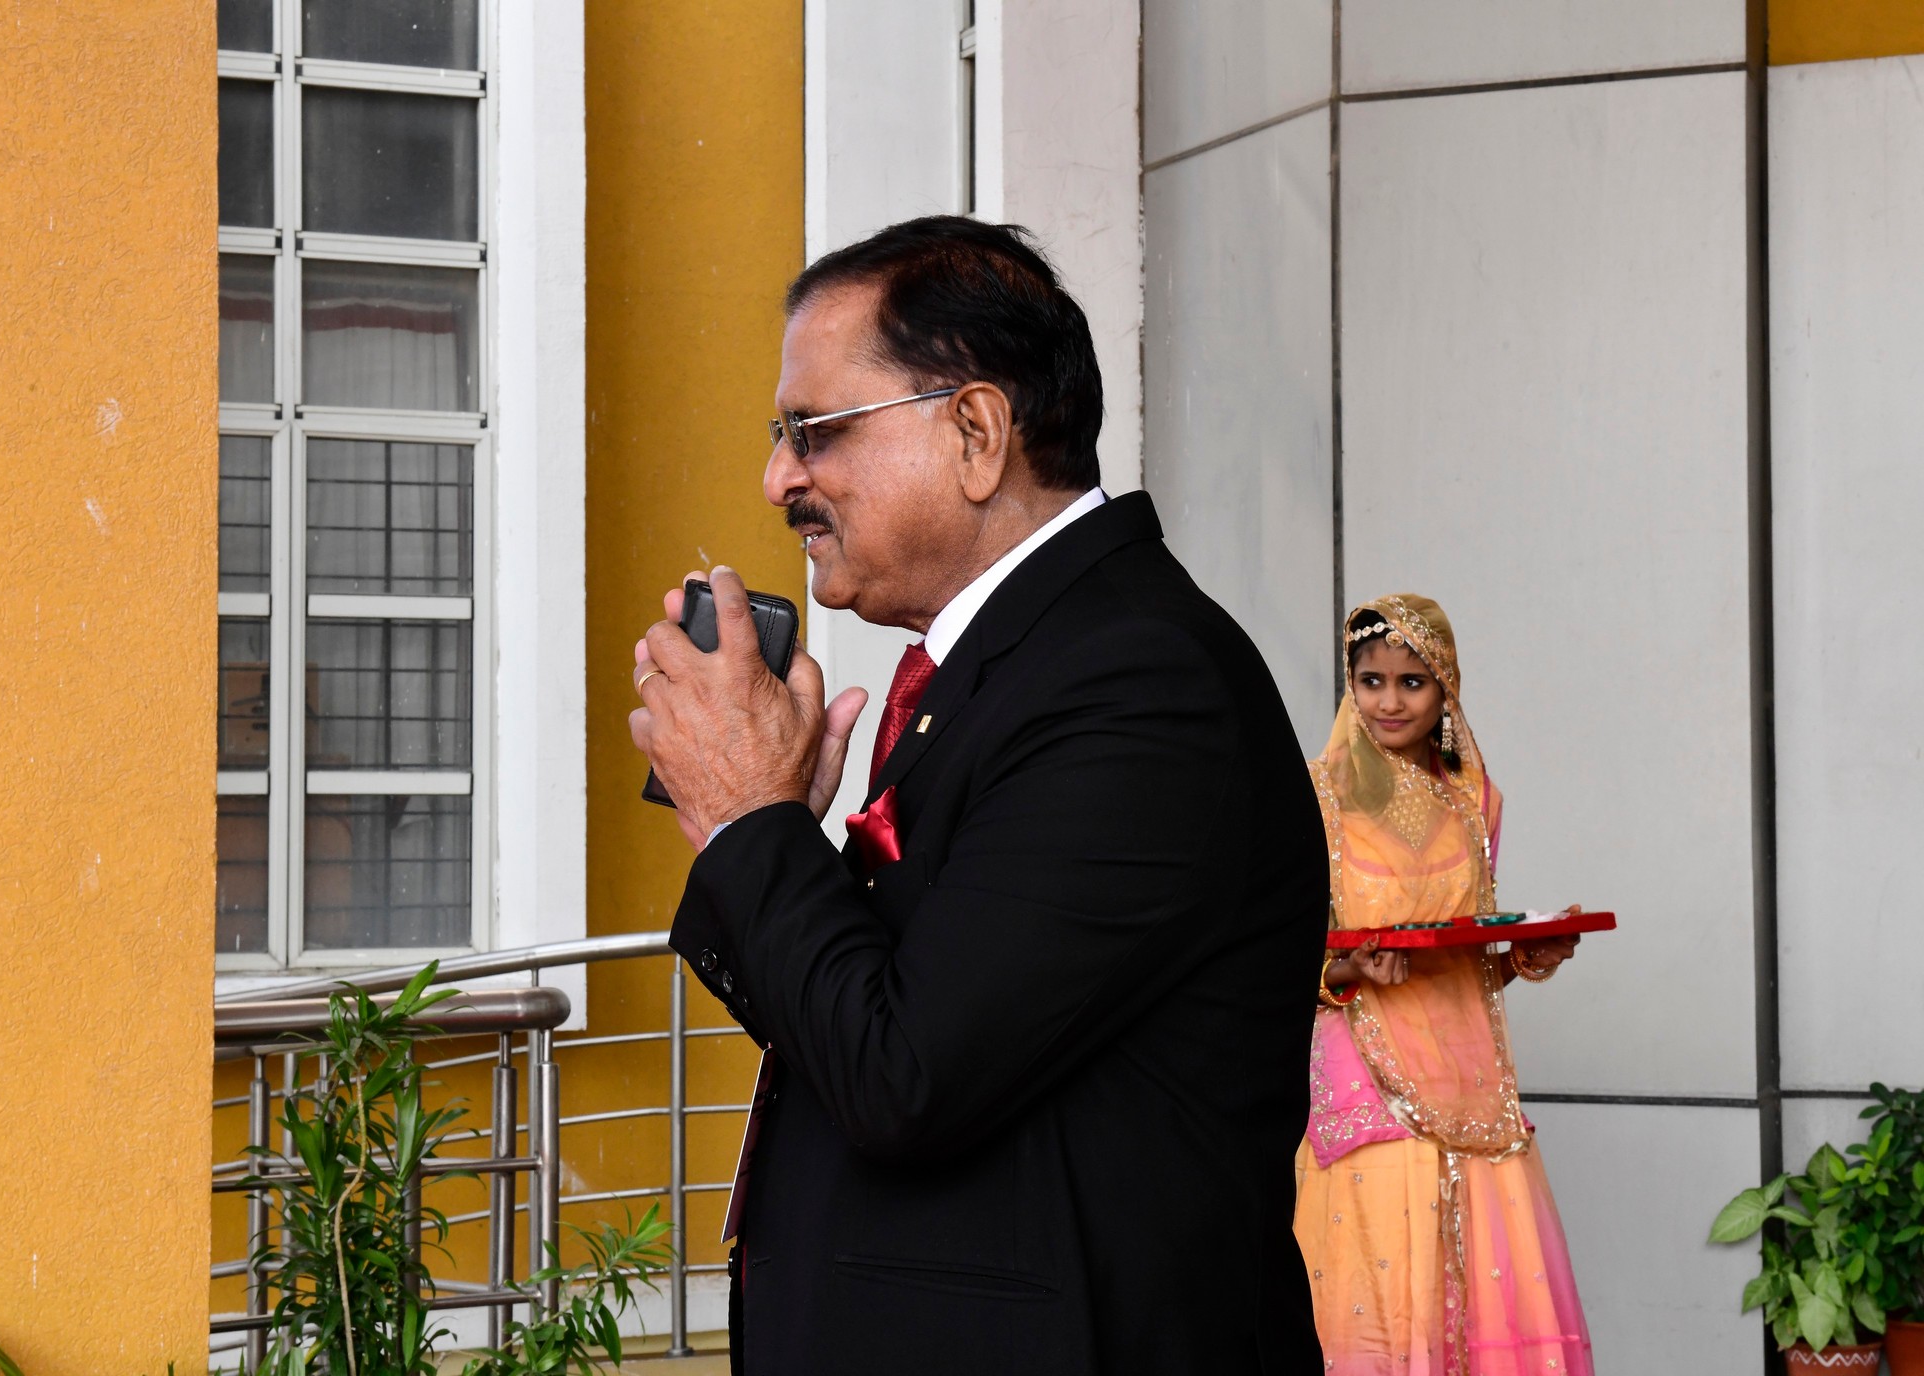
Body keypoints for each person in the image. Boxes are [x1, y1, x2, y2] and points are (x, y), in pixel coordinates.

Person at [627, 216, 1327, 1375]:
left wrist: (753, 822)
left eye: (815, 431)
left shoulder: (1138, 681)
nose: (779, 478)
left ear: (975, 432)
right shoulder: (1011, 665)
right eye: (779, 435)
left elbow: (904, 1076)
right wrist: (761, 830)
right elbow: (884, 1024)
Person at [1296, 594, 1592, 1376]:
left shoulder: (1474, 800)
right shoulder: (1316, 797)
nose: (1389, 702)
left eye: (1412, 682)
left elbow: (1467, 957)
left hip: (1470, 1082)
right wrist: (1347, 971)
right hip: (1363, 1075)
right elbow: (1268, 955)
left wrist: (1527, 955)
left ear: (1446, 688)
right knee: (1380, 1300)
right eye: (1371, 681)